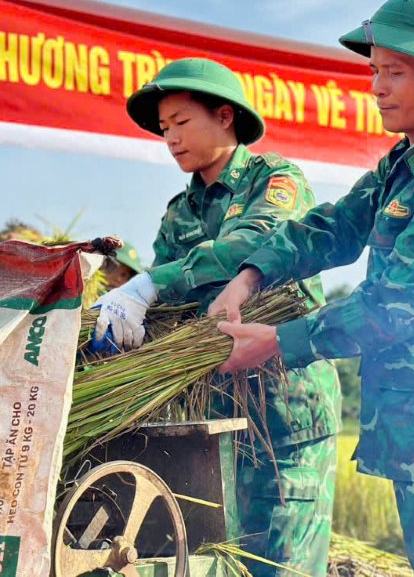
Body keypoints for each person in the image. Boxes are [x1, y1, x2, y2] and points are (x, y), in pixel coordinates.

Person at [209, 0, 414, 576]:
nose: (377, 87)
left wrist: (278, 343)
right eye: (374, 71)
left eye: (394, 72)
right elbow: (334, 225)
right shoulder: (406, 163)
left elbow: (403, 304)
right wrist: (250, 274)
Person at [91, 58, 341, 576]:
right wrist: (122, 309)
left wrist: (151, 283)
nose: (171, 139)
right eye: (164, 130)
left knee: (283, 564)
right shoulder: (178, 212)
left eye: (181, 123)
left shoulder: (275, 180)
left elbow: (258, 243)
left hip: (285, 415)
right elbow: (166, 293)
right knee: (226, 561)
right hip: (217, 417)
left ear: (224, 116)